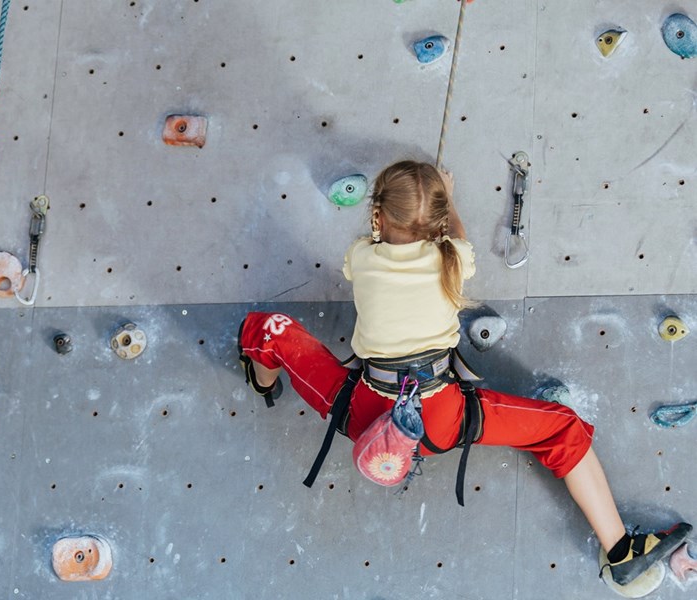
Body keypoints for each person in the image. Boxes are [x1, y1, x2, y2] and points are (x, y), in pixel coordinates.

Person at [237, 160, 690, 587]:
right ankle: (620, 550)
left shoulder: (362, 256)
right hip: (443, 420)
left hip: (365, 417)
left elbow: (380, 247)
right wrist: (448, 199)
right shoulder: (452, 257)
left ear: (376, 216)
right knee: (563, 427)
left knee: (266, 329)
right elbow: (456, 236)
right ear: (439, 224)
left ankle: (263, 382)